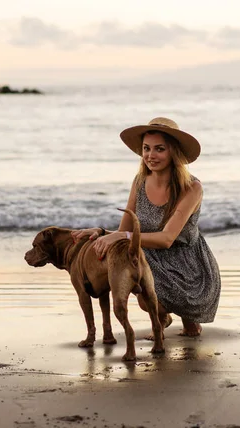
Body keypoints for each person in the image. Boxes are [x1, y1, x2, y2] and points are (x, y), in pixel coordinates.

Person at [71, 117, 221, 337]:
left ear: (174, 152)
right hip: (151, 256)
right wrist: (101, 233)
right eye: (146, 149)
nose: (151, 155)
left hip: (188, 263)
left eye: (160, 149)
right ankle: (162, 316)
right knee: (140, 289)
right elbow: (125, 230)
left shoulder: (192, 187)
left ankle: (189, 321)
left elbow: (167, 238)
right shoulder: (140, 181)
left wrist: (120, 235)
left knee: (191, 331)